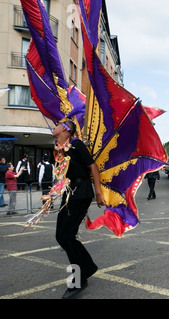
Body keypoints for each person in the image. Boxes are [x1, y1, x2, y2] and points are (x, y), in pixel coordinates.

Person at [52, 120, 106, 299]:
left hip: (81, 194)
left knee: (66, 236)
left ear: (66, 129)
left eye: (58, 124)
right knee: (63, 236)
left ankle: (79, 279)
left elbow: (92, 166)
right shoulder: (63, 149)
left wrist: (98, 193)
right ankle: (88, 267)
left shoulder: (77, 144)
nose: (55, 126)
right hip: (70, 194)